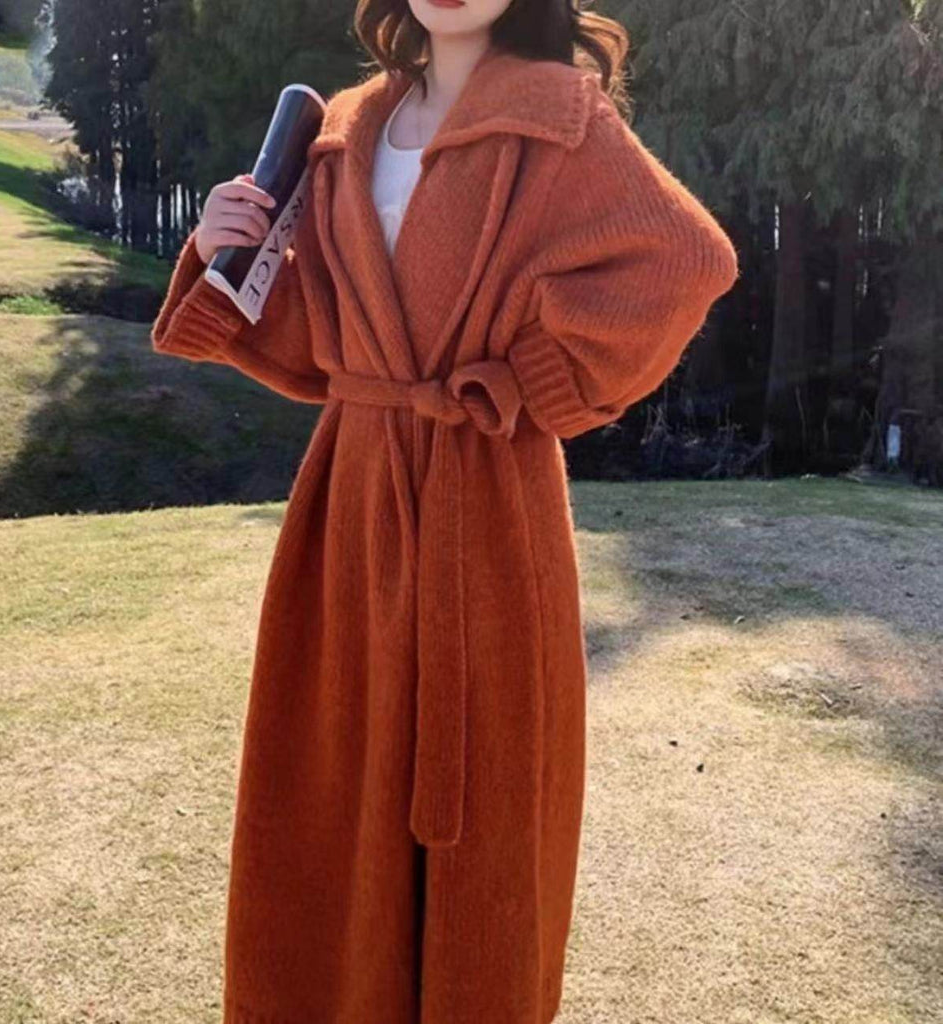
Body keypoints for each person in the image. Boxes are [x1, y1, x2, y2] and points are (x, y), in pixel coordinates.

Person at [150, 1, 739, 1022]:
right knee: (328, 788)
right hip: (350, 501)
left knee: (489, 817)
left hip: (489, 502)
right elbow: (319, 345)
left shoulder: (560, 113)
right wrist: (220, 246)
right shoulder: (343, 128)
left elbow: (687, 261)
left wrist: (527, 381)